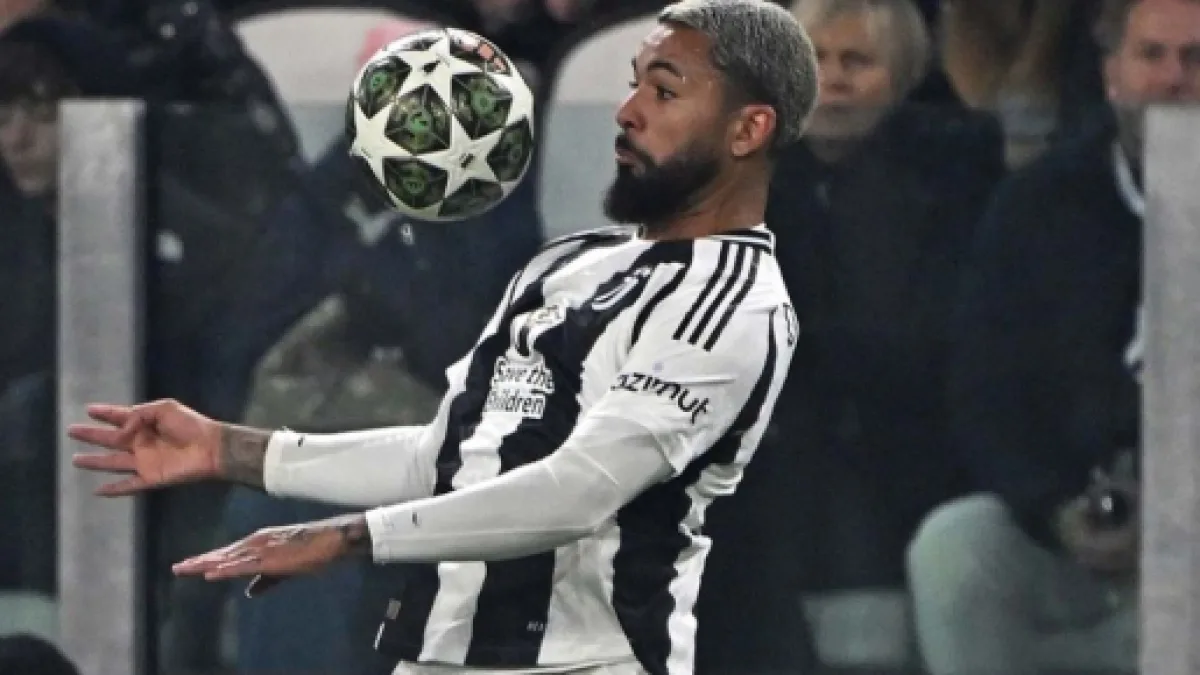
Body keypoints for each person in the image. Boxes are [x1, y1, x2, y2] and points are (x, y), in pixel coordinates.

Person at [68, 2, 819, 674]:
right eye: (632, 86)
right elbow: (454, 452)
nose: (625, 112)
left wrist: (348, 535)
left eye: (663, 91)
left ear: (748, 129)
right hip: (439, 651)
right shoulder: (568, 265)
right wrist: (231, 449)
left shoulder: (731, 305)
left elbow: (577, 492)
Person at [905, 0, 1200, 673]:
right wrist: (1057, 507)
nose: (1172, 78)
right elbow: (984, 387)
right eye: (1151, 56)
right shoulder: (1039, 204)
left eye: (1195, 59)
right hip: (1078, 522)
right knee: (955, 547)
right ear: (1112, 75)